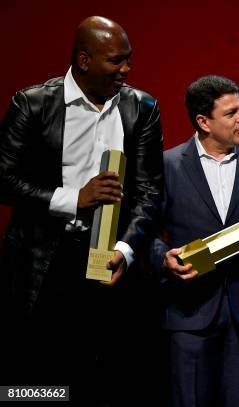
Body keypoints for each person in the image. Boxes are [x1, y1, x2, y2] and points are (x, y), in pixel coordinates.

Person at [0, 15, 163, 402]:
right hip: (44, 261)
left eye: (129, 59)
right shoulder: (33, 104)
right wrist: (75, 198)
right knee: (39, 380)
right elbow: (3, 180)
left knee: (107, 375)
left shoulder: (141, 107)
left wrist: (126, 249)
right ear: (84, 60)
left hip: (110, 262)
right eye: (116, 60)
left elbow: (149, 190)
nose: (126, 69)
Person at [149, 75, 239, 407]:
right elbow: (147, 232)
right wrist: (162, 257)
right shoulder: (167, 165)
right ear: (203, 121)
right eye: (231, 113)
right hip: (189, 310)